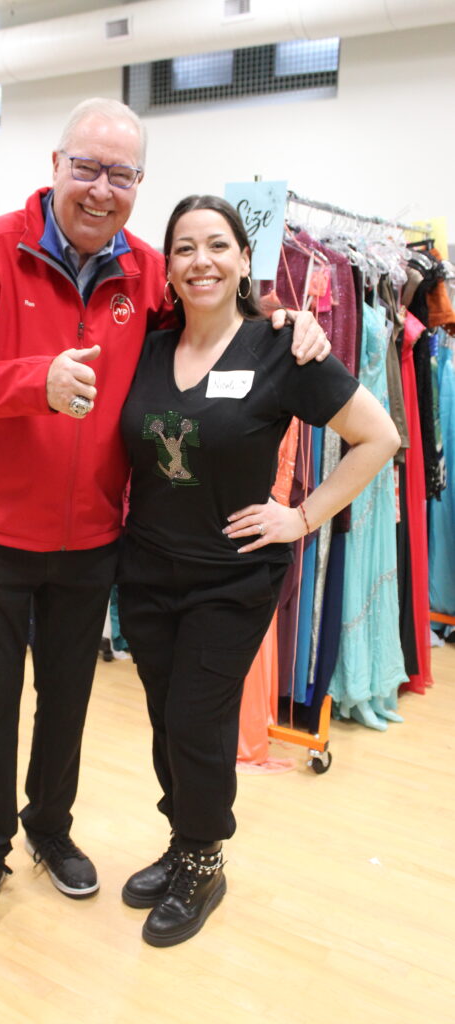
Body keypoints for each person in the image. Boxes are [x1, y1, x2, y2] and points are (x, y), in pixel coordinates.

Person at [0, 98, 330, 939]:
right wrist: (31, 382)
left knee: (66, 696)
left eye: (121, 173)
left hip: (94, 534)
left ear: (139, 183)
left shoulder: (146, 270)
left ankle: (49, 829)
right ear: (55, 165)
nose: (101, 188)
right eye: (87, 167)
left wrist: (281, 320)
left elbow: (210, 325)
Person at [116, 194, 401, 948]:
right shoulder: (147, 348)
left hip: (230, 577)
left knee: (195, 721)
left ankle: (205, 861)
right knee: (165, 719)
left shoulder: (280, 348)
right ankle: (182, 841)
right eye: (184, 248)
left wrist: (302, 517)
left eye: (217, 245)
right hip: (146, 570)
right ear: (168, 267)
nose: (200, 261)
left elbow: (379, 436)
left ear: (245, 259)